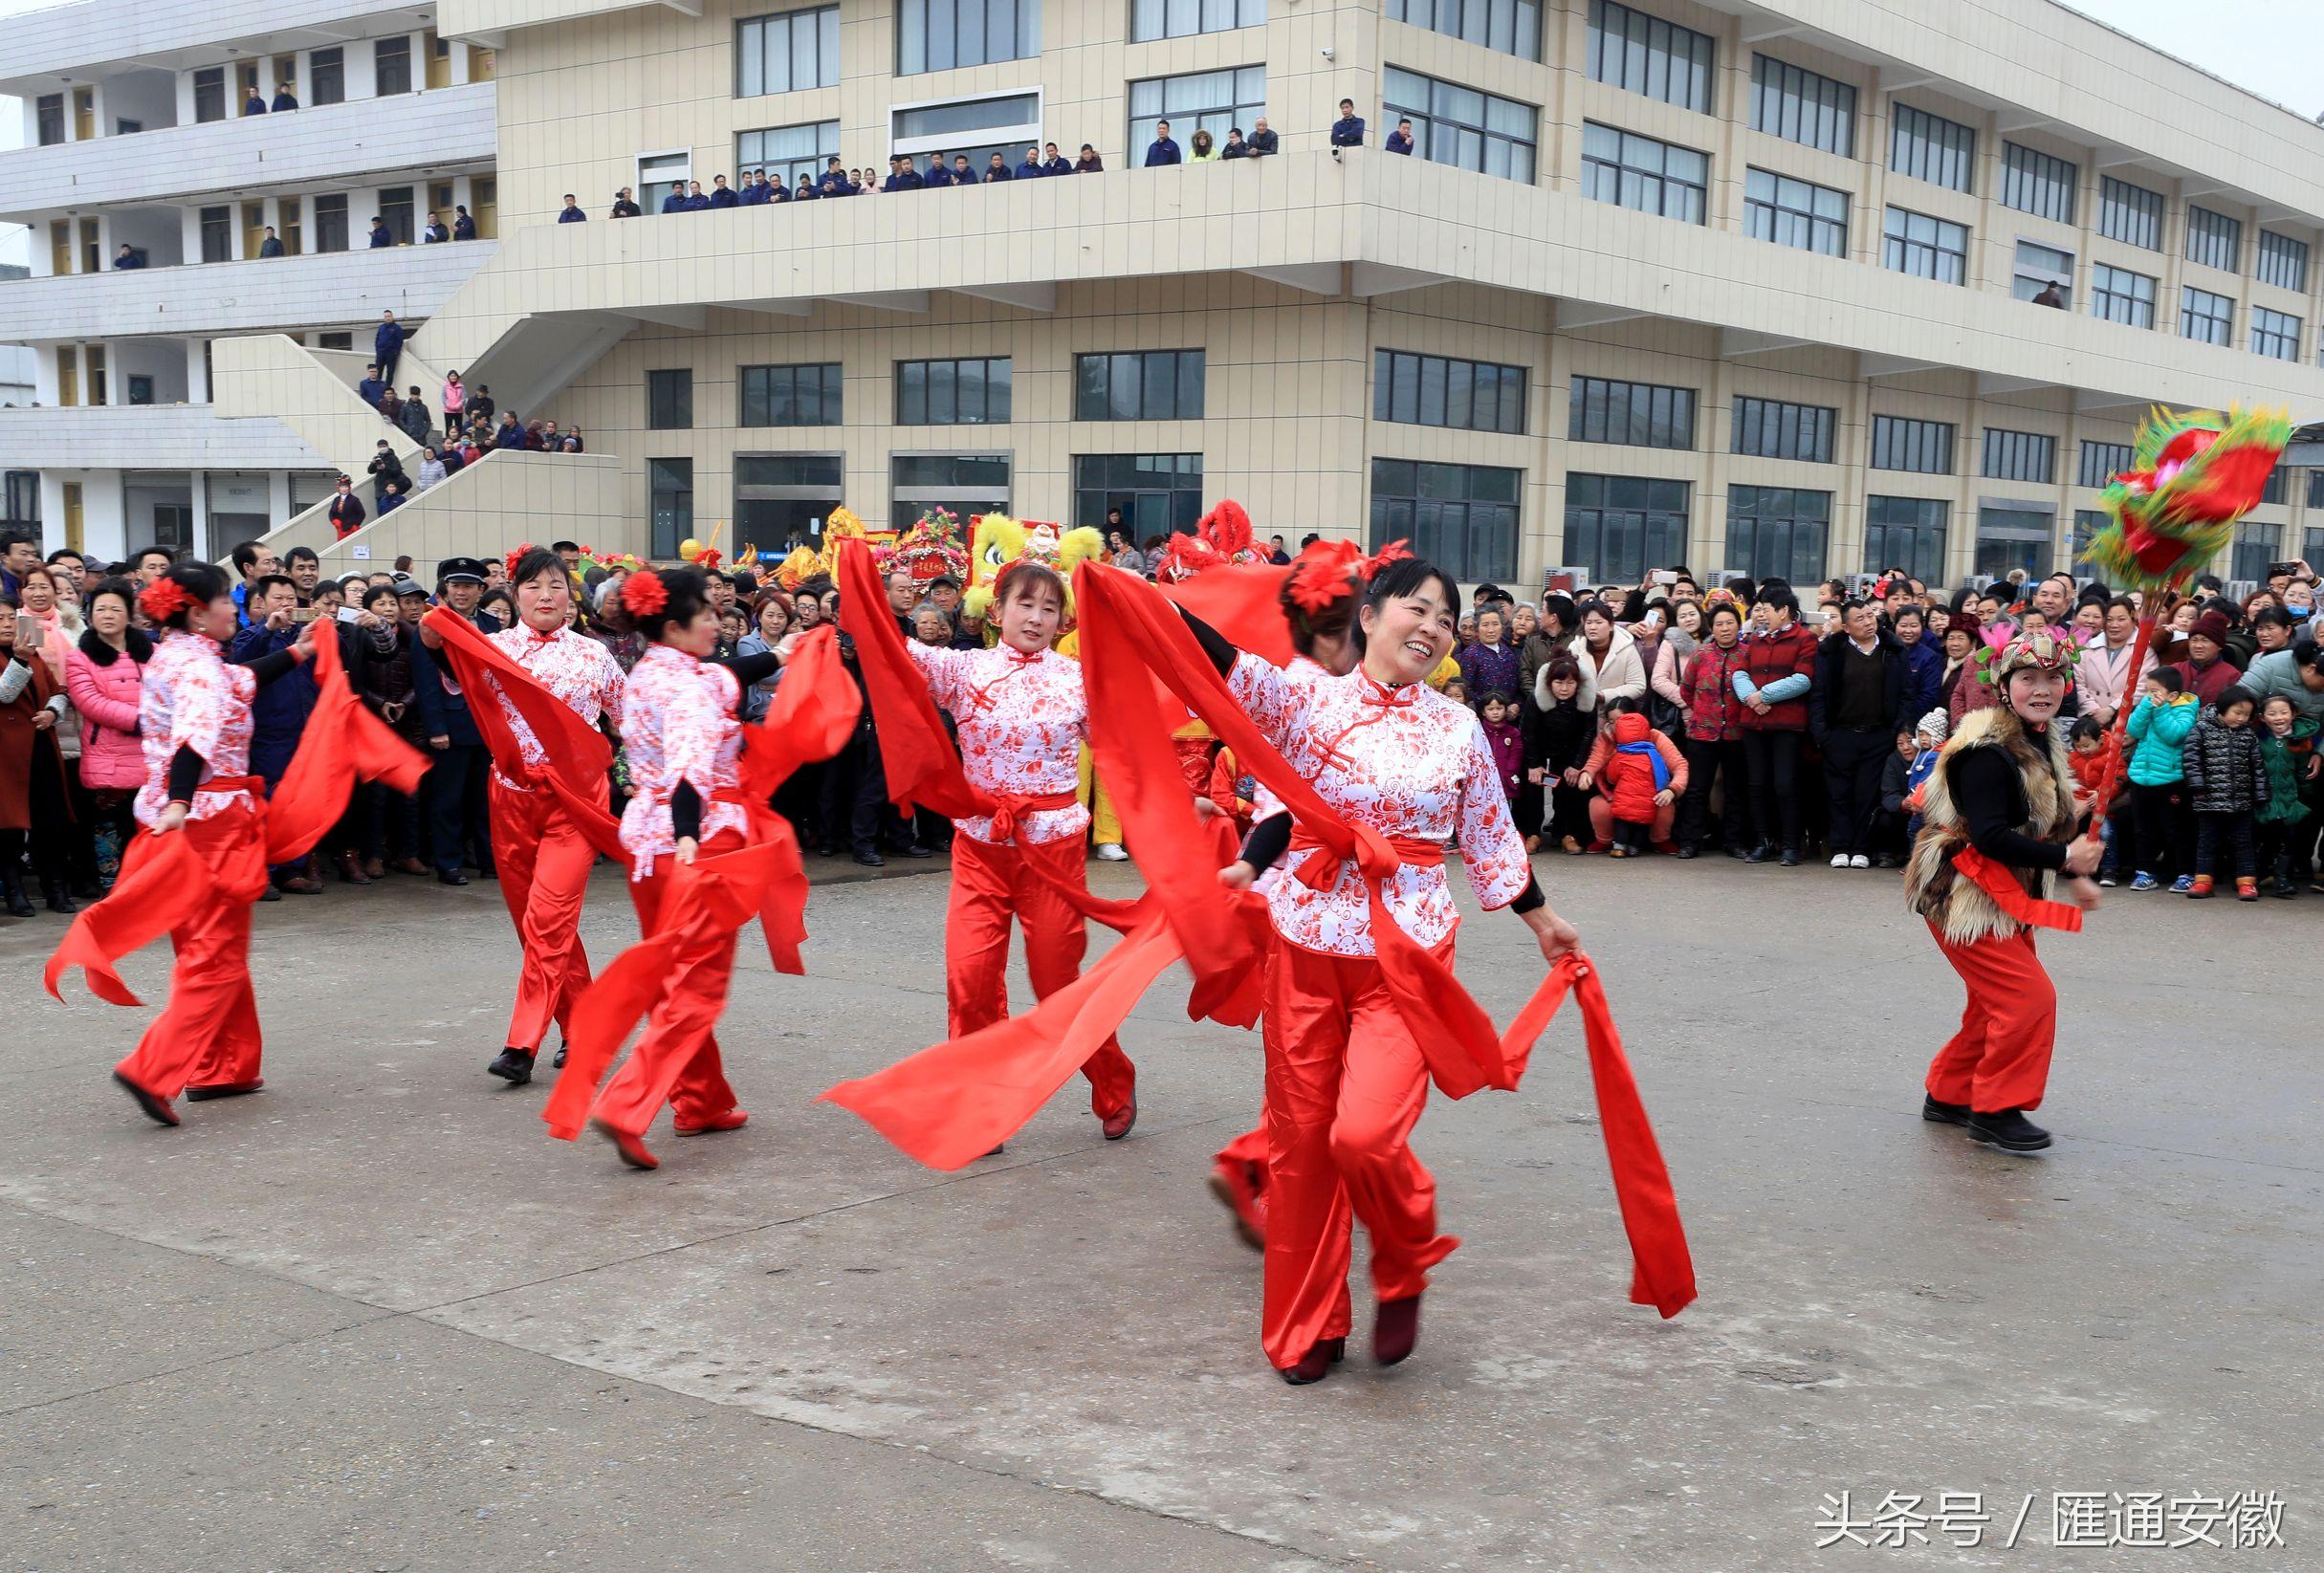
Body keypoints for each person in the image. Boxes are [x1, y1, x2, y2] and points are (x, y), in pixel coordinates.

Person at [1206, 557, 1581, 1381]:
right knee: (1302, 1146)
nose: (1435, 627)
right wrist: (1125, 593)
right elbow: (1213, 667)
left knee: (1365, 1134)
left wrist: (1542, 919)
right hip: (1305, 944)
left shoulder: (1455, 728)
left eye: (1447, 619)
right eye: (1420, 608)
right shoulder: (1306, 695)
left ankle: (1403, 1258)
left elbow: (1488, 833)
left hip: (1405, 951)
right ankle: (1310, 1324)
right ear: (1369, 617)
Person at [887, 557, 1138, 1141]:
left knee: (1057, 983)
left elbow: (1126, 751)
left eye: (1049, 608)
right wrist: (863, 585)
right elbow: (892, 650)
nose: (1037, 617)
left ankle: (1112, 1080)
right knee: (970, 979)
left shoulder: (1077, 680)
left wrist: (1180, 805)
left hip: (1053, 853)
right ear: (995, 613)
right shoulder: (963, 670)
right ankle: (982, 1105)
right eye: (1025, 604)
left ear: (1062, 621)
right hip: (981, 847)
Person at [557, 567, 798, 1169]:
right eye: (708, 614)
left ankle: (701, 1102)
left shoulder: (654, 672)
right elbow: (691, 767)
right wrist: (691, 836)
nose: (719, 621)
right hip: (697, 844)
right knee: (698, 984)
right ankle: (628, 1101)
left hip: (645, 845)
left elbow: (729, 675)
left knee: (674, 976)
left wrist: (777, 655)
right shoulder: (688, 689)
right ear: (673, 626)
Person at [75, 566, 332, 1123]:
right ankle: (153, 1069)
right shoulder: (196, 667)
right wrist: (181, 803)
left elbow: (237, 680)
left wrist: (297, 652)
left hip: (185, 820)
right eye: (225, 601)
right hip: (209, 823)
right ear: (197, 613)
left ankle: (226, 1067)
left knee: (207, 948)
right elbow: (196, 738)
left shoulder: (178, 654)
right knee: (216, 955)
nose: (234, 609)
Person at [423, 547, 627, 1084]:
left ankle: (522, 1042)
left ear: (570, 597)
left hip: (576, 800)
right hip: (511, 796)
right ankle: (584, 1028)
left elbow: (631, 722)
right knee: (538, 925)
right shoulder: (492, 650)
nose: (545, 595)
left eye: (556, 586)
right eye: (533, 586)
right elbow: (449, 666)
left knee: (548, 916)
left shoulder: (594, 656)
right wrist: (432, 639)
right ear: (514, 594)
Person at [1904, 629, 2100, 1156]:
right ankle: (1995, 1109)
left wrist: (2075, 865)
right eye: (2029, 678)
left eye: (2054, 677)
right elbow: (1990, 835)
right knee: (2028, 998)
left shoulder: (2041, 739)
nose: (2043, 688)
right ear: (2003, 684)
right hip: (1963, 892)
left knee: (1993, 1003)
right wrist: (2065, 859)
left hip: (2003, 888)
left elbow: (2043, 823)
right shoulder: (1985, 751)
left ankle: (1950, 1094)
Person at [410, 557, 499, 885]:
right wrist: (436, 728)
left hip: (487, 726)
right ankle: (448, 863)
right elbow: (425, 681)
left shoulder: (492, 624)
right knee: (448, 799)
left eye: (468, 586)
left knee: (485, 798)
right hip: (451, 725)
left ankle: (489, 860)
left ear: (481, 590)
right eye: (455, 586)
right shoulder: (433, 623)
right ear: (445, 589)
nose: (461, 592)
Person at [66, 578, 150, 891]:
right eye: (100, 608)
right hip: (108, 752)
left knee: (140, 823)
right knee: (105, 823)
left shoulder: (151, 651)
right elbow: (90, 702)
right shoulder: (79, 658)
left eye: (116, 608)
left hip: (148, 751)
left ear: (129, 614)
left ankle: (141, 882)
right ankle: (108, 882)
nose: (108, 614)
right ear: (90, 615)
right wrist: (140, 719)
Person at [1812, 600, 1906, 869]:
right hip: (1840, 734)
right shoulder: (1831, 651)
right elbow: (1819, 694)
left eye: (1870, 615)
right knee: (1838, 793)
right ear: (1845, 627)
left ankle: (1861, 848)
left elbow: (1904, 693)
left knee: (1867, 794)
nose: (1868, 621)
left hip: (1878, 734)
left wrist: (1895, 729)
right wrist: (1822, 735)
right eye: (1860, 619)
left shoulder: (1892, 649)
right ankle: (1841, 847)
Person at [0, 592, 74, 915]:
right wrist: (17, 659)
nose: (5, 625)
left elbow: (58, 691)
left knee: (51, 819)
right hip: (6, 751)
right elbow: (4, 695)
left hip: (40, 744)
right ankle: (15, 891)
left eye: (9, 619)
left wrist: (52, 713)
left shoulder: (34, 656)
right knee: (9, 825)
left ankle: (56, 888)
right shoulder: (22, 656)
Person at [1734, 581, 1817, 864]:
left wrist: (1765, 694)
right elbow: (1740, 673)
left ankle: (1791, 845)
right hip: (1754, 723)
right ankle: (1762, 841)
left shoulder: (1804, 639)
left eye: (1765, 609)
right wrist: (1751, 698)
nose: (1760, 615)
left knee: (1785, 784)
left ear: (1783, 611)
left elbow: (1803, 679)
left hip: (1786, 726)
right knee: (1757, 784)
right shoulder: (1756, 639)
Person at [1674, 601, 1749, 858]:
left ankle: (1734, 841)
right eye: (1719, 624)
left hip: (1736, 734)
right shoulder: (1701, 654)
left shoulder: (1747, 654)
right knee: (1697, 789)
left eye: (1730, 623)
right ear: (1712, 628)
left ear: (1738, 625)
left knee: (1735, 790)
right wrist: (1706, 712)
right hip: (1703, 732)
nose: (1725, 628)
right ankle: (1690, 841)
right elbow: (1686, 690)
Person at [2181, 685, 2265, 900]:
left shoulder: (2249, 735)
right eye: (2237, 713)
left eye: (2247, 715)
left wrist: (2261, 792)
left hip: (2241, 800)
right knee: (2207, 841)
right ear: (2222, 708)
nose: (2242, 719)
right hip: (2208, 799)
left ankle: (2246, 883)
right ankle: (2203, 881)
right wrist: (2197, 785)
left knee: (2244, 841)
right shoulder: (2200, 729)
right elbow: (2191, 759)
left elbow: (2257, 766)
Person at [2124, 666, 2198, 891]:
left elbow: (2174, 736)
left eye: (2154, 691)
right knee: (2143, 829)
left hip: (2170, 779)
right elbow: (2133, 730)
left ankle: (2185, 872)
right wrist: (2147, 706)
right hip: (2140, 777)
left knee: (2175, 829)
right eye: (2147, 691)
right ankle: (2145, 871)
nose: (2149, 695)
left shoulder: (2185, 709)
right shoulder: (2148, 706)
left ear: (2172, 695)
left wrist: (2161, 709)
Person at [1583, 696, 1686, 854]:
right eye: (1611, 721)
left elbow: (1680, 766)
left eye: (1620, 720)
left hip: (1652, 794)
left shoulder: (1655, 736)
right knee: (1599, 806)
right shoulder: (1605, 737)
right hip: (1617, 794)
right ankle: (1605, 840)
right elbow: (1595, 760)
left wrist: (1672, 789)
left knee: (1665, 806)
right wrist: (1587, 773)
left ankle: (1660, 840)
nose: (1615, 726)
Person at [375, 311, 405, 386]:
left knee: (390, 372)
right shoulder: (381, 327)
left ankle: (387, 388)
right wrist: (377, 349)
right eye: (386, 316)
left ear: (392, 317)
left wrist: (395, 352)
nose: (387, 318)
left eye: (389, 316)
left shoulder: (397, 328)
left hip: (391, 353)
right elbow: (377, 338)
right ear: (384, 318)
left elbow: (399, 341)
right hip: (381, 353)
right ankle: (377, 387)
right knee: (378, 371)